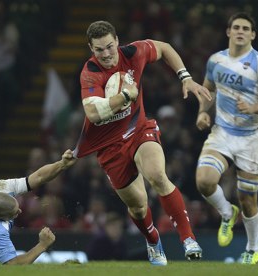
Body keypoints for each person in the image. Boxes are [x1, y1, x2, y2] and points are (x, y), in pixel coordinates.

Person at [74, 20, 211, 265]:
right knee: (138, 207)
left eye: (109, 46)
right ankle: (152, 239)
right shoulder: (90, 73)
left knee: (157, 175)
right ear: (91, 49)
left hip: (139, 131)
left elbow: (165, 48)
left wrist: (186, 78)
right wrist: (126, 95)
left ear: (116, 40)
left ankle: (188, 238)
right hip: (110, 148)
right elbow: (93, 114)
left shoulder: (134, 52)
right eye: (99, 50)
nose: (105, 54)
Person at [195, 12, 258, 264]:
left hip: (251, 139)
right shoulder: (216, 61)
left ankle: (252, 248)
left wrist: (254, 108)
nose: (240, 31)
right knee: (204, 181)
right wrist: (203, 113)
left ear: (253, 34)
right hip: (222, 132)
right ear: (228, 32)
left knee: (248, 199)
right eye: (236, 27)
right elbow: (207, 90)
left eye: (246, 28)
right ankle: (226, 213)